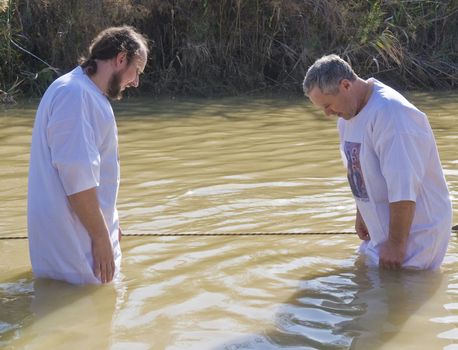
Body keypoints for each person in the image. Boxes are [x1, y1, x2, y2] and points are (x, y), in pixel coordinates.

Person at [302, 54, 452, 270]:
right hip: (379, 235)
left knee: (400, 300)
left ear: (345, 85)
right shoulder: (347, 117)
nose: (327, 113)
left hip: (416, 238)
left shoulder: (392, 113)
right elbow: (358, 171)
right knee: (365, 292)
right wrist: (361, 213)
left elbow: (404, 186)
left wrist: (396, 244)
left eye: (328, 105)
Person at [27, 26, 149, 284]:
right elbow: (78, 181)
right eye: (136, 71)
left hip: (78, 243)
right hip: (78, 256)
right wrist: (101, 237)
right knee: (88, 316)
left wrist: (108, 223)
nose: (136, 82)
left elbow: (90, 173)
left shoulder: (83, 92)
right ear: (120, 58)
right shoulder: (76, 95)